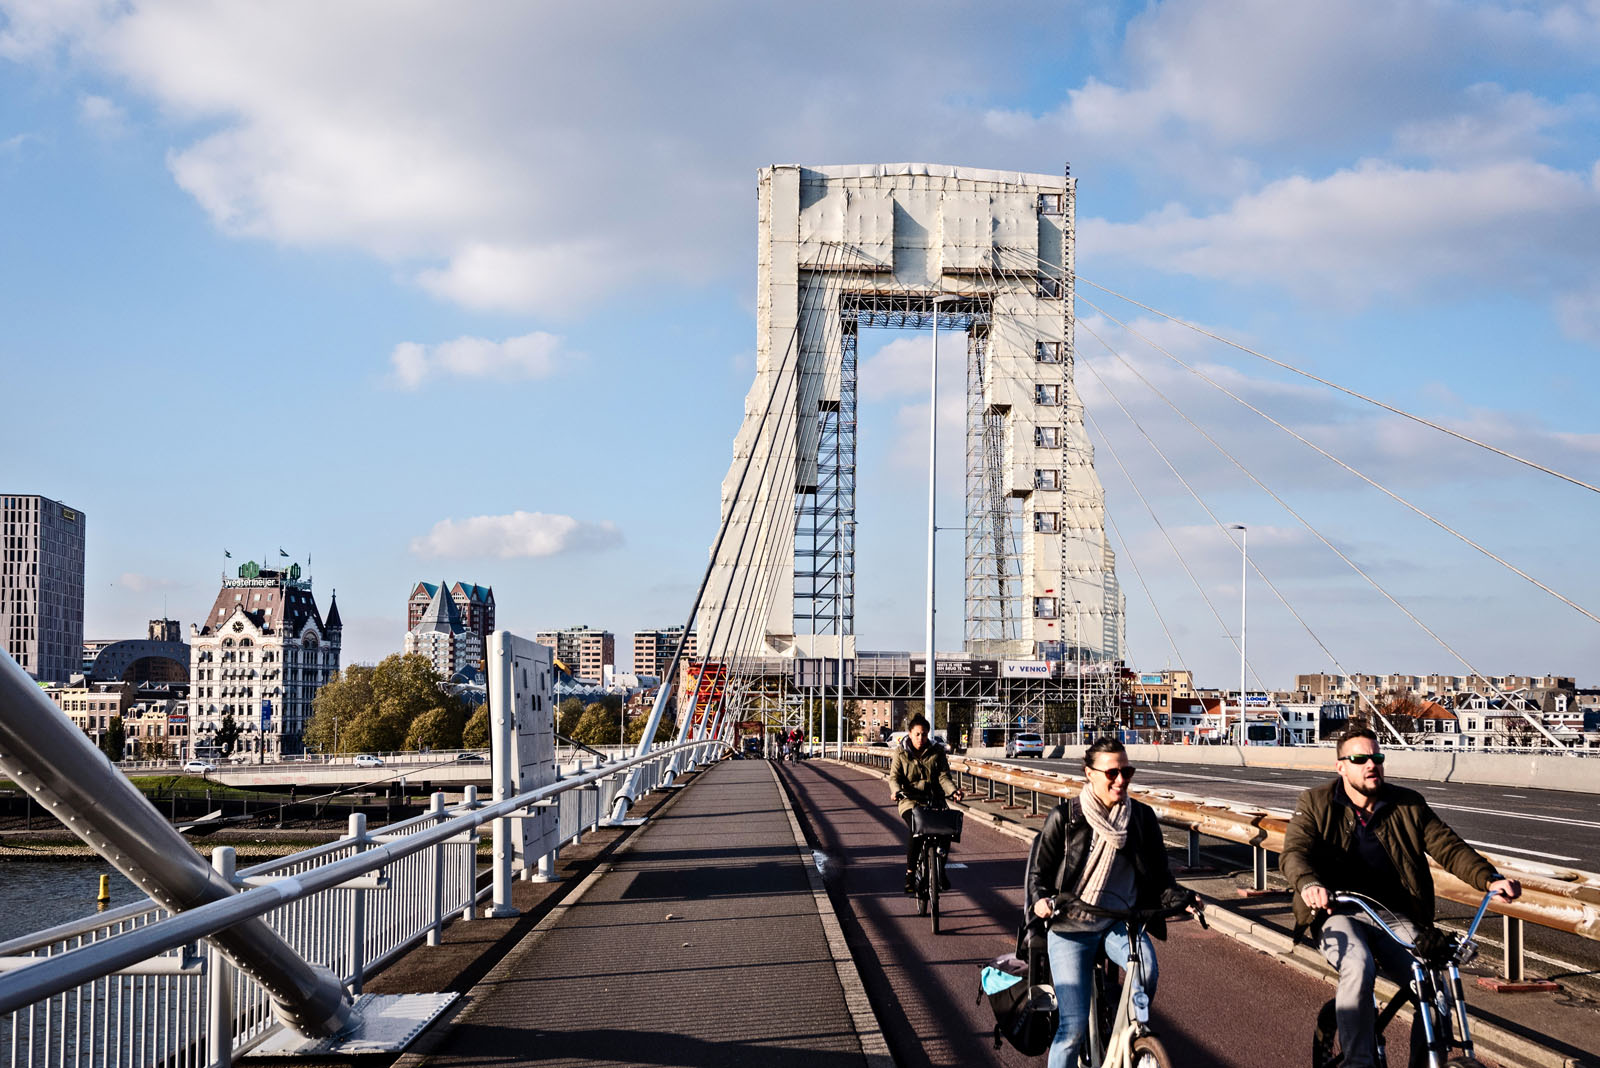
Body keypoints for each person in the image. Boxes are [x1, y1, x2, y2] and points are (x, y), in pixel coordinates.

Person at [1282, 727, 1521, 1068]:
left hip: (1393, 916)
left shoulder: (1407, 804)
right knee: (1358, 964)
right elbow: (1295, 852)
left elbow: (1448, 847)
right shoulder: (1316, 802)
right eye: (1360, 758)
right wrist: (1308, 884)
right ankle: (1358, 1062)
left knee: (1434, 981)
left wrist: (1489, 879)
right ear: (1341, 768)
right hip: (1338, 911)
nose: (1371, 765)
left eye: (1377, 758)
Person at [1027, 738, 1197, 1068]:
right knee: (1072, 1029)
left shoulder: (1142, 818)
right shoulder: (1065, 819)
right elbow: (1039, 875)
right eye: (1112, 772)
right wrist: (1040, 902)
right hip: (1071, 925)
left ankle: (1124, 1034)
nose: (1121, 780)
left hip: (1120, 922)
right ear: (1090, 774)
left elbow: (1161, 879)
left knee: (1147, 970)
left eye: (1127, 771)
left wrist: (1184, 899)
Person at [890, 712, 963, 894]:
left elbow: (943, 776)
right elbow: (894, 777)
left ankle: (940, 870)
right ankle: (910, 873)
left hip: (934, 799)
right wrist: (896, 791)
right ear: (910, 733)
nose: (921, 738)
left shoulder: (937, 751)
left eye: (924, 734)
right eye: (917, 734)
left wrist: (953, 791)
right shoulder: (901, 752)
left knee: (946, 831)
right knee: (917, 831)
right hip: (910, 800)